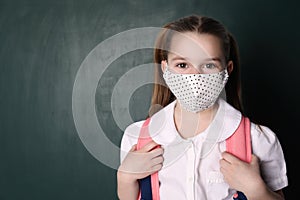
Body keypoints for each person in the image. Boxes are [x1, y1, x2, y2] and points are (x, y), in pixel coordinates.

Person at [117, 14, 288, 200]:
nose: (195, 77)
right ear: (165, 68)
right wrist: (125, 178)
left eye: (208, 65)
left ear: (227, 70)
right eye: (182, 65)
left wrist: (256, 189)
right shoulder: (137, 137)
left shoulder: (258, 139)